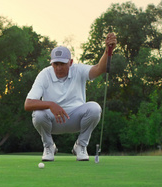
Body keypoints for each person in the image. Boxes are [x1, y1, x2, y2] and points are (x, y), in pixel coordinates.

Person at [24, 33, 117, 161]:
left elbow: (99, 69)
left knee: (95, 108)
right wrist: (51, 104)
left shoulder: (78, 70)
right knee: (38, 115)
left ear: (71, 62)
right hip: (53, 120)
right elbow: (28, 104)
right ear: (51, 63)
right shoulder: (44, 74)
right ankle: (49, 146)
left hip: (76, 118)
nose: (58, 67)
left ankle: (81, 146)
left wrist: (107, 50)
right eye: (55, 64)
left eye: (62, 64)